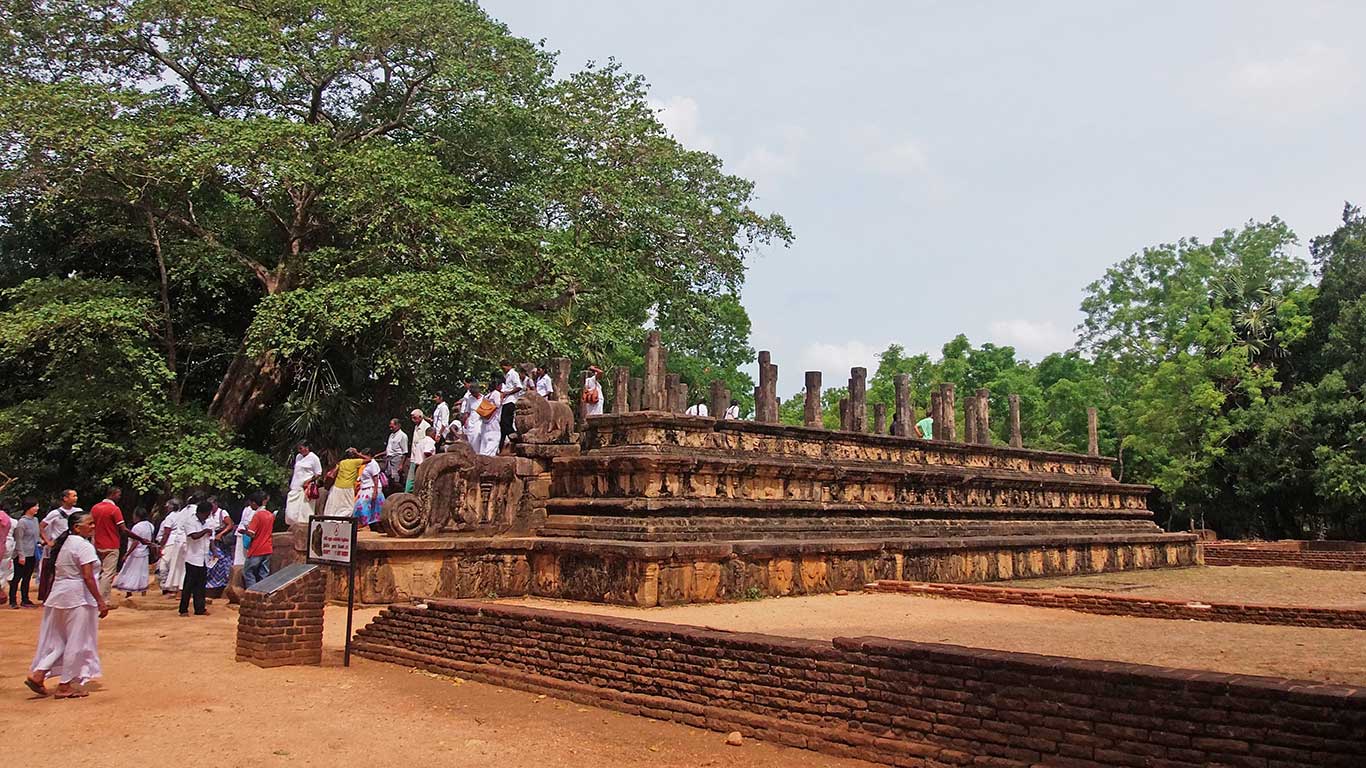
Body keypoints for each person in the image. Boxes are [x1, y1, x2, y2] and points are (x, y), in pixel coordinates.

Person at [25, 510, 107, 698]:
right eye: (90, 523)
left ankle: (39, 673)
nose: (93, 526)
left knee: (61, 640)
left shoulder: (66, 544)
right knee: (76, 641)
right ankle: (65, 685)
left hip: (59, 596)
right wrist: (100, 601)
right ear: (77, 527)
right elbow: (87, 576)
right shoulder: (83, 546)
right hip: (77, 597)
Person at [90, 486, 152, 603]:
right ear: (112, 494)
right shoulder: (114, 509)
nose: (120, 497)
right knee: (108, 574)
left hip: (97, 544)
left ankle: (94, 597)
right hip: (111, 545)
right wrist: (141, 539)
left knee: (99, 572)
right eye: (118, 494)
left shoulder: (95, 508)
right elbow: (123, 529)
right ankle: (103, 600)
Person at [178, 501, 215, 616]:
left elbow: (211, 539)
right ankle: (183, 609)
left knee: (201, 585)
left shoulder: (209, 522)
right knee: (188, 585)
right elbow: (193, 536)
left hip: (204, 557)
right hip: (192, 557)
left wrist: (214, 552)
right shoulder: (190, 521)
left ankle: (200, 608)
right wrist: (205, 531)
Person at [113, 509, 156, 597]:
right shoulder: (150, 525)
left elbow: (135, 542)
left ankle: (129, 592)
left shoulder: (137, 527)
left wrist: (127, 554)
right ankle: (143, 592)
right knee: (143, 573)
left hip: (135, 553)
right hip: (144, 553)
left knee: (129, 571)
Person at [10, 499, 39, 608]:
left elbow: (36, 536)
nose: (37, 508)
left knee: (27, 577)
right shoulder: (22, 522)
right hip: (22, 554)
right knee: (17, 577)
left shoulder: (35, 520)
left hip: (32, 553)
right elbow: (19, 539)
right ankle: (13, 600)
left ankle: (25, 599)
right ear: (28, 508)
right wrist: (21, 555)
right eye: (35, 506)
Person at [285, 442, 324, 526]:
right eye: (298, 449)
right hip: (295, 486)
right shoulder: (298, 457)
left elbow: (318, 473)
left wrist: (309, 481)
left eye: (301, 448)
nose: (299, 451)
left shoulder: (314, 458)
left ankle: (304, 526)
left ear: (307, 448)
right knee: (291, 511)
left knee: (305, 510)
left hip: (305, 488)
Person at [322, 449, 368, 517]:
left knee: (333, 508)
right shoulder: (355, 462)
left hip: (336, 488)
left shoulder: (341, 462)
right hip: (348, 488)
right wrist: (358, 453)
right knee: (348, 508)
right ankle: (342, 523)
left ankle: (330, 522)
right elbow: (369, 459)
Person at [241, 501, 275, 589]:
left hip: (257, 548)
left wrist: (244, 531)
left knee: (248, 571)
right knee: (264, 573)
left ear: (255, 503)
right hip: (267, 547)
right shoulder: (270, 515)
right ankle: (263, 593)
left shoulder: (257, 515)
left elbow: (252, 533)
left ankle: (253, 593)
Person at [233, 492, 265, 573]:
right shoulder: (250, 510)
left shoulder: (259, 512)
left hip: (248, 534)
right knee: (241, 556)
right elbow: (247, 523)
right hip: (245, 535)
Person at [353, 452, 386, 528]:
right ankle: (364, 523)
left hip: (371, 488)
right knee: (360, 506)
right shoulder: (364, 465)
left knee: (362, 505)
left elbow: (375, 478)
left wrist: (375, 491)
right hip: (364, 488)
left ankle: (366, 523)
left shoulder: (373, 463)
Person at [498, 359, 523, 445]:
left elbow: (519, 386)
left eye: (503, 367)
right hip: (505, 401)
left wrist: (508, 393)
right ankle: (503, 443)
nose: (503, 369)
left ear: (508, 366)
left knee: (505, 421)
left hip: (511, 400)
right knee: (503, 423)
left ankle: (514, 435)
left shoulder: (513, 374)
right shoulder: (507, 375)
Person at [478, 377, 504, 456]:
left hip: (485, 425)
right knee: (492, 447)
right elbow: (498, 405)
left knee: (484, 446)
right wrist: (502, 398)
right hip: (493, 425)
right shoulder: (496, 393)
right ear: (498, 386)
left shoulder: (486, 396)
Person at [407, 426, 437, 492]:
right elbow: (427, 452)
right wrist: (434, 460)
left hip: (417, 465)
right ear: (433, 434)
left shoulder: (421, 441)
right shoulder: (430, 441)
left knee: (418, 485)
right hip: (424, 466)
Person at [384, 418, 409, 489]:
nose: (391, 428)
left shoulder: (403, 436)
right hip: (389, 459)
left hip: (397, 459)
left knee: (396, 480)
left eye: (392, 427)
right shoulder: (391, 435)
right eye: (390, 427)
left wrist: (401, 464)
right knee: (389, 479)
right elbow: (389, 448)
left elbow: (405, 452)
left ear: (398, 425)